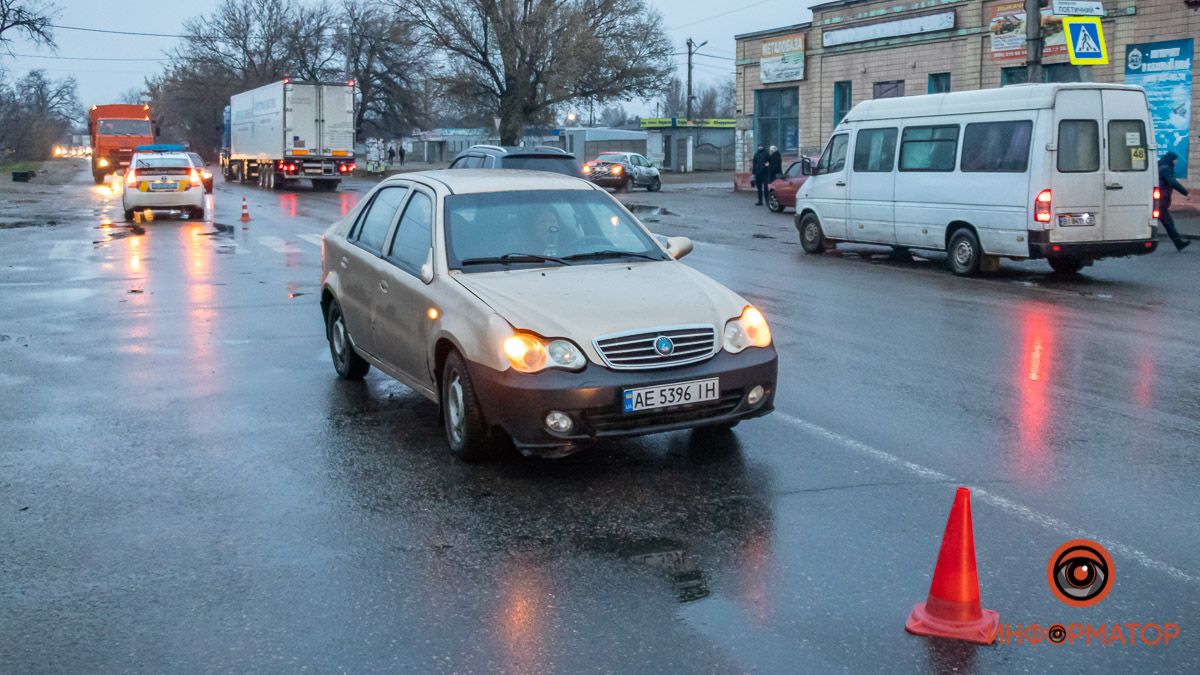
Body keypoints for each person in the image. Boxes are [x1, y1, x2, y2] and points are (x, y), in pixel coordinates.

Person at [1158, 151, 1191, 251]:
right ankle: (1178, 242)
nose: (1176, 161)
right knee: (1167, 222)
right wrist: (1186, 192)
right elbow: (1172, 182)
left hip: (1160, 200)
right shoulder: (1166, 169)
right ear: (1171, 159)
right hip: (1161, 201)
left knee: (1168, 222)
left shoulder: (1161, 167)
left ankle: (1179, 242)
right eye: (1176, 159)